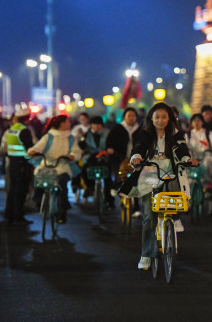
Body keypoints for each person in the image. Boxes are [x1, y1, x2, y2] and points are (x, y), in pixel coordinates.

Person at [122, 103, 197, 270]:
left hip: (169, 174)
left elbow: (182, 149)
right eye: (157, 117)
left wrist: (186, 159)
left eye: (164, 117)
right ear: (151, 118)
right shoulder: (145, 134)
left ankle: (175, 218)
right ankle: (146, 255)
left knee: (178, 195)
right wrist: (136, 156)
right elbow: (139, 147)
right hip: (149, 176)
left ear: (169, 118)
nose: (160, 120)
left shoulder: (175, 134)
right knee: (149, 217)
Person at [28, 114, 82, 223]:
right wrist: (33, 152)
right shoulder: (49, 136)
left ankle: (62, 212)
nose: (69, 124)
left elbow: (76, 152)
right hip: (47, 165)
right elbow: (38, 147)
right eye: (68, 122)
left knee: (62, 184)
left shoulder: (70, 138)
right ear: (62, 124)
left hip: (63, 166)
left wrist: (72, 156)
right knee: (39, 179)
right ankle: (38, 202)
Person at [2, 106, 35, 224]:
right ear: (28, 118)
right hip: (22, 164)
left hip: (13, 163)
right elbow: (29, 149)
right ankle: (18, 216)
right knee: (20, 190)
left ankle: (9, 213)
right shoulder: (24, 130)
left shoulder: (11, 129)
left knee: (13, 188)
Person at [79, 116, 114, 208]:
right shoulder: (86, 134)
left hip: (104, 156)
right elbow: (82, 145)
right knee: (85, 168)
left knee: (107, 176)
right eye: (94, 124)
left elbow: (111, 143)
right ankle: (89, 187)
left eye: (99, 124)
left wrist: (109, 149)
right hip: (91, 156)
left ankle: (109, 200)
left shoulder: (107, 133)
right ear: (91, 125)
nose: (97, 126)